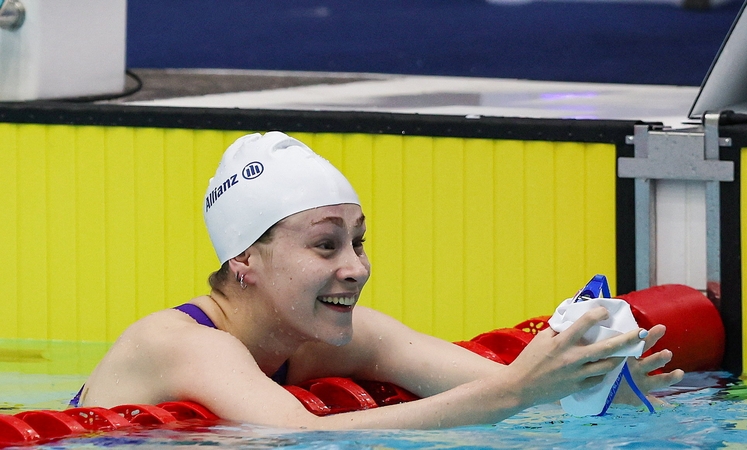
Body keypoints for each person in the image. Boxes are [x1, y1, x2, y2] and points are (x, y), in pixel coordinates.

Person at [75, 131, 684, 429]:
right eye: (324, 244)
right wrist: (513, 396)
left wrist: (601, 378)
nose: (356, 267)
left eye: (357, 240)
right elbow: (299, 439)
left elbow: (510, 380)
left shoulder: (341, 334)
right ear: (244, 260)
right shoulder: (180, 344)